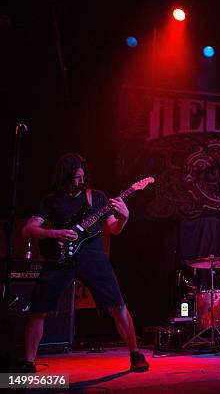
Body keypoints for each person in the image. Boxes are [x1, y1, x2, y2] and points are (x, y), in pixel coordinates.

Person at [20, 153, 149, 372]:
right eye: (75, 178)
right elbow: (28, 230)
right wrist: (54, 233)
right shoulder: (52, 200)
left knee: (117, 305)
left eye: (82, 176)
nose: (80, 181)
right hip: (60, 257)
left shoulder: (96, 197)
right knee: (38, 309)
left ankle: (136, 355)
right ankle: (27, 362)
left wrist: (125, 217)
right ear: (64, 177)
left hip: (93, 255)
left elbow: (114, 229)